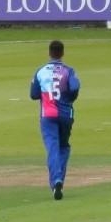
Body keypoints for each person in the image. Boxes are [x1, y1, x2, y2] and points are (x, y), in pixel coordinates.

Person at [30, 40, 81, 200]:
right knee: (64, 146)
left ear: (48, 53)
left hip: (48, 115)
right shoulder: (68, 71)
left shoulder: (41, 71)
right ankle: (59, 180)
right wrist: (69, 100)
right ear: (63, 54)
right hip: (66, 114)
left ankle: (56, 180)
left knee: (53, 147)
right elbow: (74, 87)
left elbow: (33, 94)